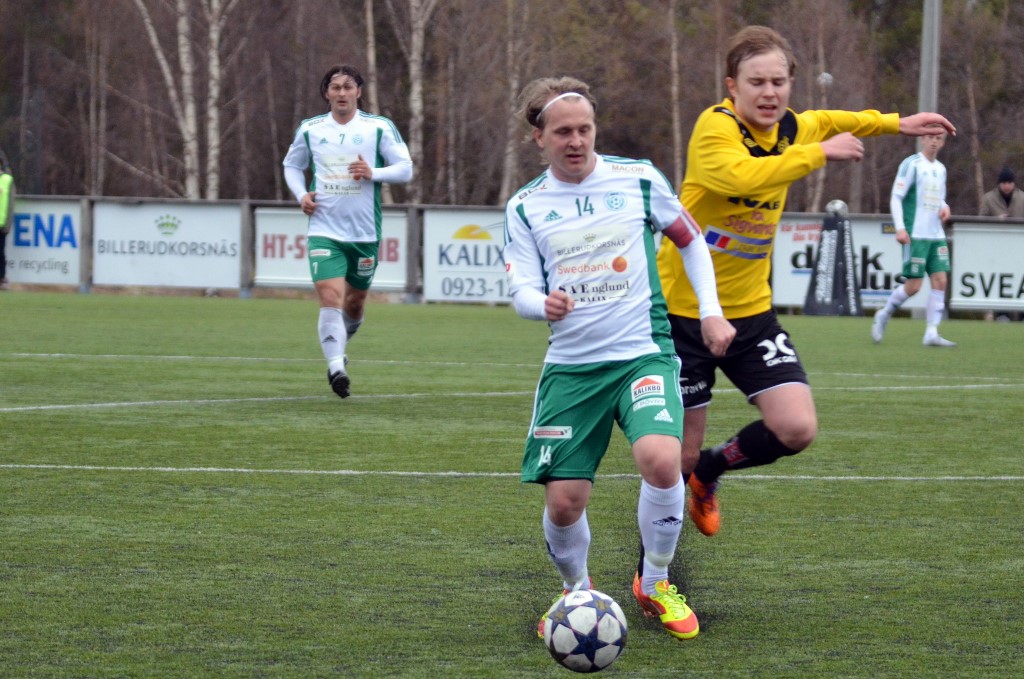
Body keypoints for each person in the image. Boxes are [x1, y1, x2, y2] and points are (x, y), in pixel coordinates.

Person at [654, 25, 957, 539]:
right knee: (674, 458)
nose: (769, 93)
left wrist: (896, 123)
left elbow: (835, 119)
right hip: (684, 313)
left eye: (779, 82)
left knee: (796, 428)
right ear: (732, 86)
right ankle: (654, 571)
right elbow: (740, 176)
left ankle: (711, 470)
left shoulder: (793, 127)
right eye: (756, 82)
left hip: (751, 312)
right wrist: (819, 154)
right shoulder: (714, 128)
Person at [503, 77, 735, 641]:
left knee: (661, 459)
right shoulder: (525, 206)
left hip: (641, 355)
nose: (576, 140)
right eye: (563, 131)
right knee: (565, 503)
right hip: (572, 368)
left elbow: (690, 240)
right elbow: (520, 289)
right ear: (539, 138)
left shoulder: (638, 179)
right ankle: (575, 593)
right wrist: (542, 304)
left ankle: (654, 582)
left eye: (584, 128)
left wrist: (710, 312)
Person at [282, 65, 413, 398]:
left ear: (359, 92)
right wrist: (301, 195)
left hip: (364, 233)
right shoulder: (311, 129)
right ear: (326, 93)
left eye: (348, 86)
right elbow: (292, 165)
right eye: (335, 87)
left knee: (354, 305)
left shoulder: (378, 127)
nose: (341, 92)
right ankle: (336, 368)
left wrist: (373, 172)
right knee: (330, 297)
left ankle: (339, 348)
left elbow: (405, 169)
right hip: (324, 228)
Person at [871, 131, 957, 347]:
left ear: (943, 142)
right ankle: (884, 313)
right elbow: (896, 197)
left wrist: (945, 208)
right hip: (915, 234)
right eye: (931, 137)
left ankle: (931, 332)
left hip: (936, 234)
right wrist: (900, 228)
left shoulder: (941, 168)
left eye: (939, 138)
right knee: (914, 285)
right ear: (923, 139)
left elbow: (940, 198)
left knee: (941, 280)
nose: (934, 142)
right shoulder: (911, 164)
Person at [0, 150, 14, 291]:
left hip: (1, 224)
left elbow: (10, 204)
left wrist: (7, 224)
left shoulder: (6, 179)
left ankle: (2, 279)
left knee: (0, 253)